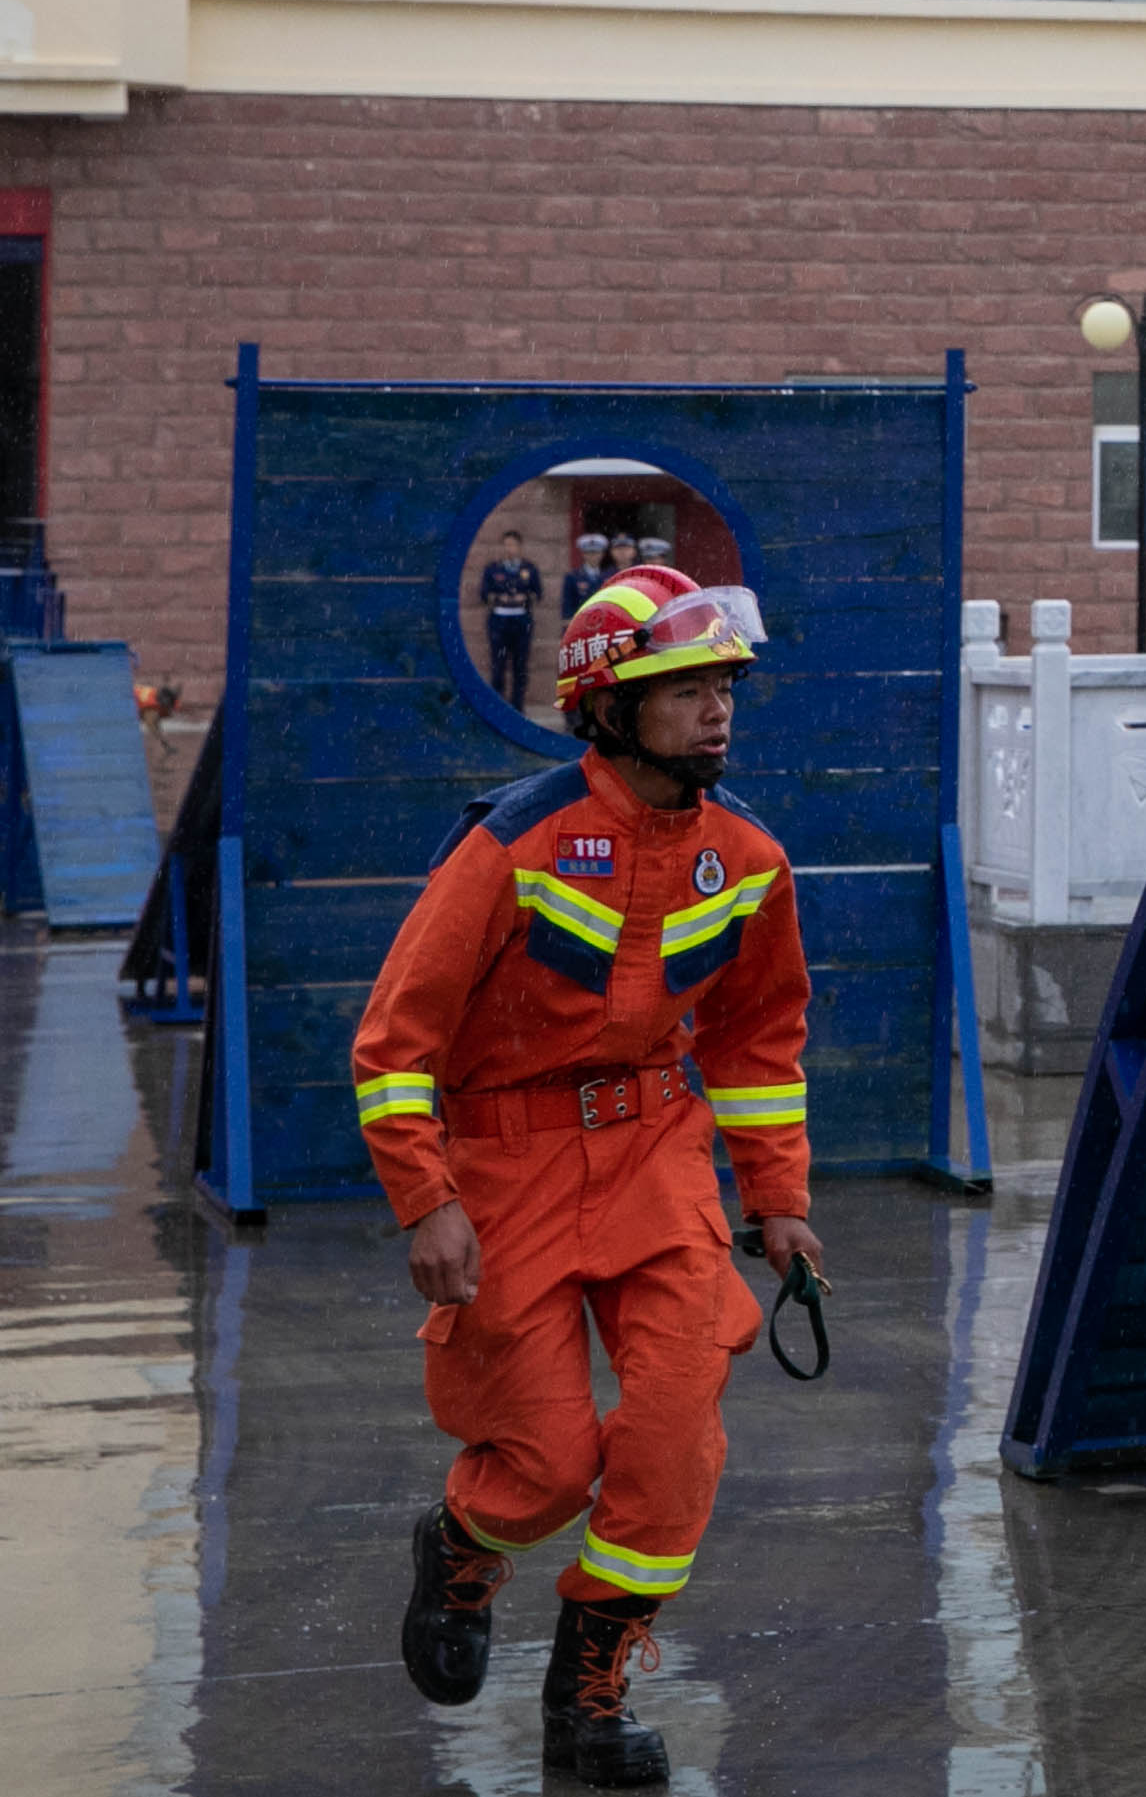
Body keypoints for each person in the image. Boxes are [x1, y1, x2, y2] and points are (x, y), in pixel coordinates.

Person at [350, 565, 821, 1783]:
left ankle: (590, 1690)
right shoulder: (513, 841)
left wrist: (777, 1197)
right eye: (687, 687)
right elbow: (395, 1040)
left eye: (726, 685)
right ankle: (463, 1543)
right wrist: (427, 1198)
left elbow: (757, 1042)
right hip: (506, 1167)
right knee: (550, 1461)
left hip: (659, 1159)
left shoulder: (748, 856)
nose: (718, 708)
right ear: (609, 705)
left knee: (672, 1435)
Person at [477, 545, 546, 708]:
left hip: (521, 621)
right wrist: (499, 597)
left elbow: (538, 593)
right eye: (506, 545)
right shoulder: (493, 569)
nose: (510, 549)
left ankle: (517, 706)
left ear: (519, 547)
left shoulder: (529, 569)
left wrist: (525, 597)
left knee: (520, 666)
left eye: (513, 545)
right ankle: (497, 706)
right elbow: (484, 594)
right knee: (498, 666)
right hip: (499, 621)